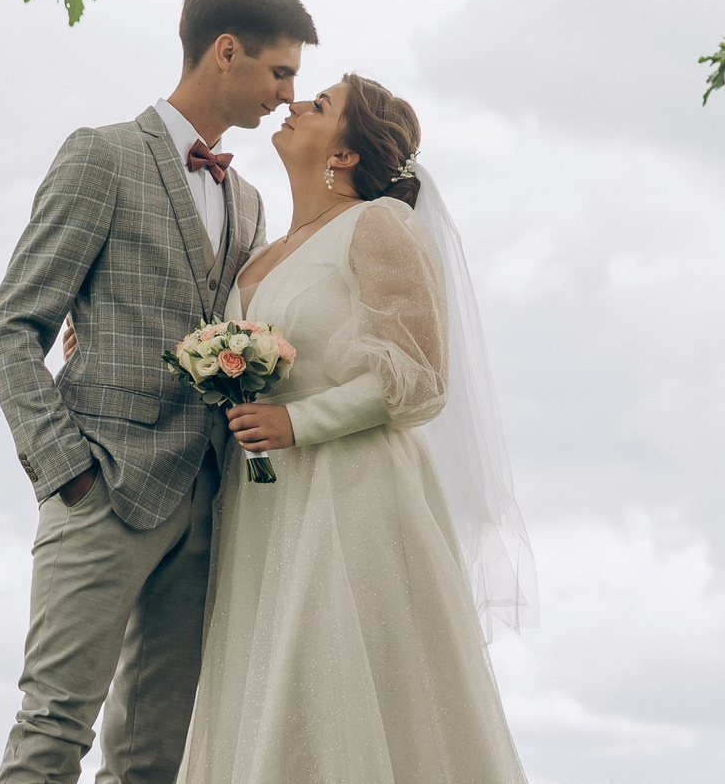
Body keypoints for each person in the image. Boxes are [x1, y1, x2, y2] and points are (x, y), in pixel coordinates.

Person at [0, 0, 318, 784]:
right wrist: (68, 471)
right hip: (100, 488)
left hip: (204, 506)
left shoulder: (246, 200)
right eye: (280, 71)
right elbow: (13, 326)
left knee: (152, 760)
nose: (288, 92)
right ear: (226, 51)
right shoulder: (100, 156)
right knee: (54, 728)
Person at [177, 72, 534, 784]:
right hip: (261, 509)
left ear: (343, 154)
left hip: (351, 499)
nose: (295, 103)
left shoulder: (378, 225)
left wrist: (297, 420)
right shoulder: (254, 258)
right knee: (265, 691)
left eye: (321, 104)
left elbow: (419, 375)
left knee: (342, 694)